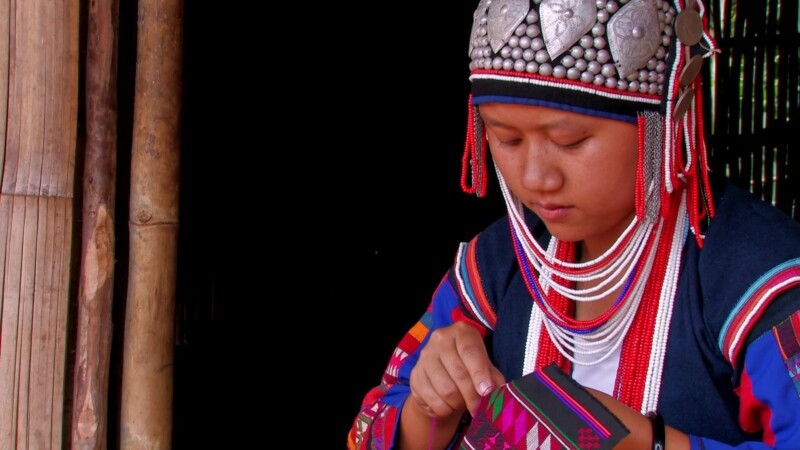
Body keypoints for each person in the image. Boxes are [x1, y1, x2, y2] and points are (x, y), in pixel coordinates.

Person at [347, 0, 800, 448]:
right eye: (508, 139)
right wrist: (429, 410)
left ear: (660, 124)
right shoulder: (498, 262)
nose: (535, 177)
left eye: (570, 140)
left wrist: (651, 443)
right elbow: (371, 430)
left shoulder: (760, 279)